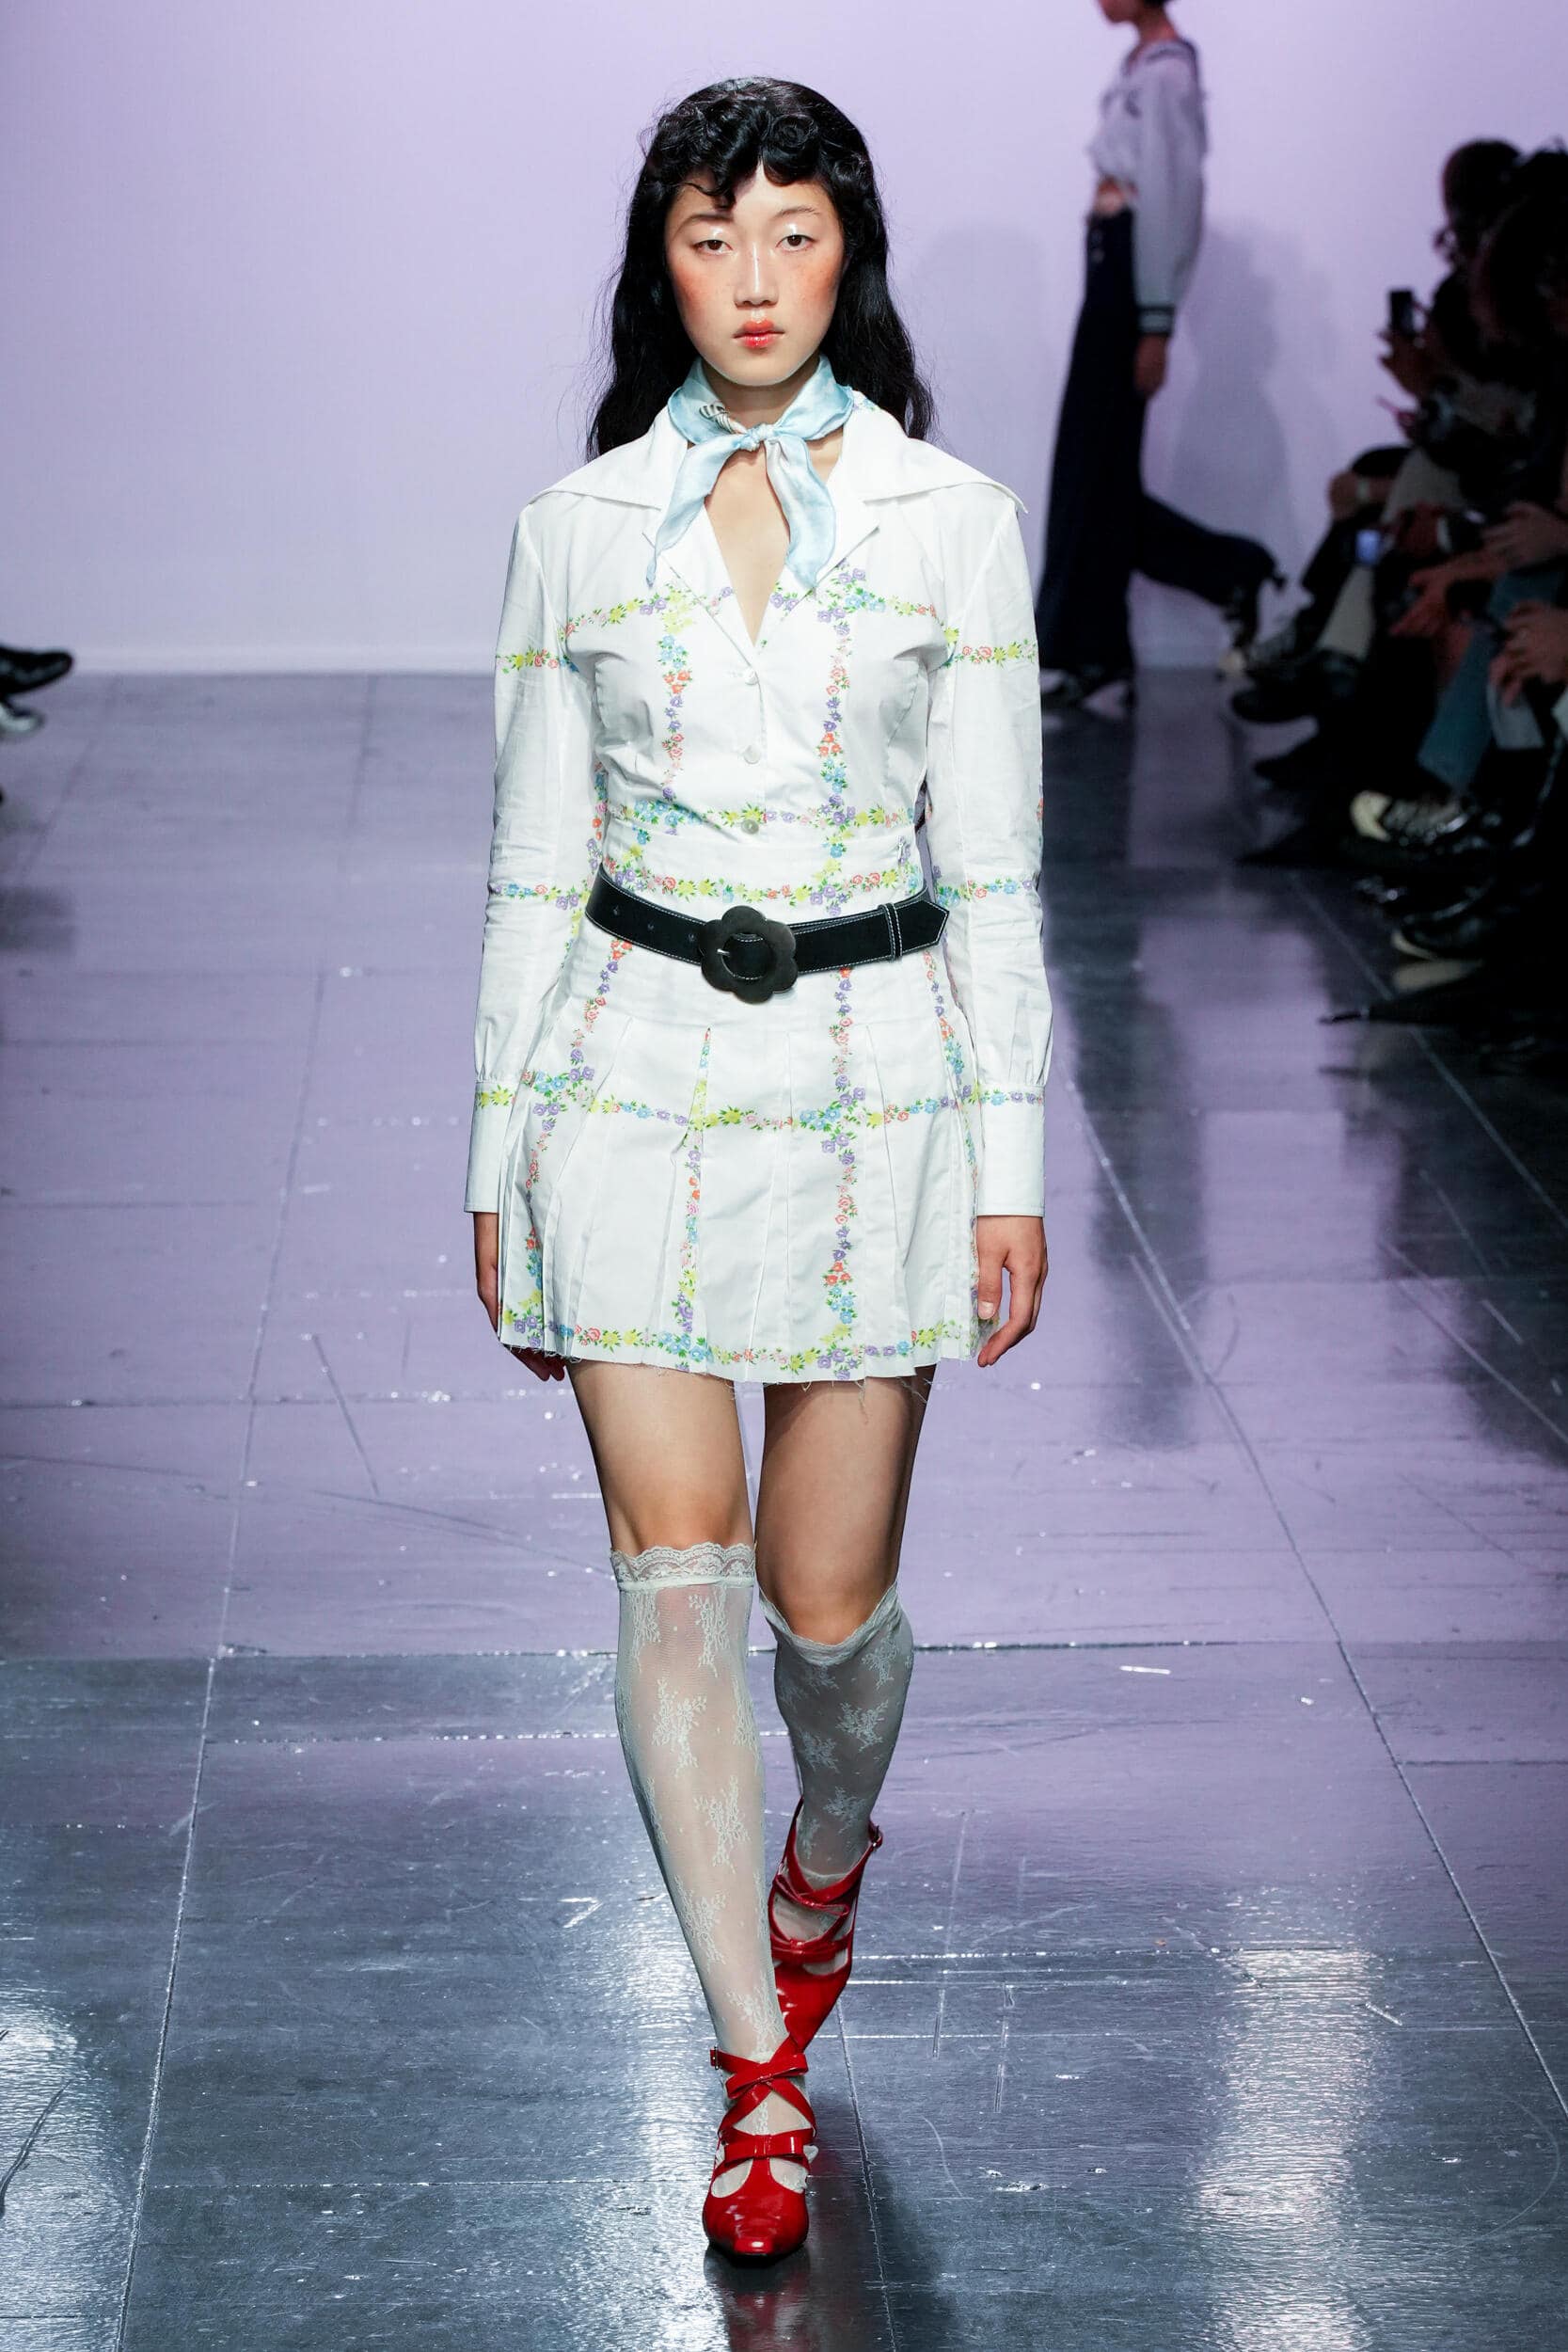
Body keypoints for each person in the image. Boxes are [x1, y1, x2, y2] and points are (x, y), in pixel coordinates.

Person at [464, 78, 1052, 2264]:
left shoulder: (950, 521)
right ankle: (753, 2066)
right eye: (711, 240)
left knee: (827, 1614)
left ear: (846, 255)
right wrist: (496, 1152)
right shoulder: (574, 529)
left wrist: (1009, 1163)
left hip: (872, 1080)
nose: (752, 282)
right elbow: (529, 865)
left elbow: (995, 873)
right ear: (663, 265)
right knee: (674, 1577)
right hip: (621, 1070)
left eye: (791, 236)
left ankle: (822, 1852)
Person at [1037, 0, 1278, 710]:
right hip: (1112, 266)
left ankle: (1212, 582)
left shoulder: (1167, 75)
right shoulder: (1142, 67)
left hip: (1127, 276)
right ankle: (1108, 645)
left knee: (1095, 474)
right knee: (1095, 476)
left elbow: (1174, 198)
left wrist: (1156, 319)